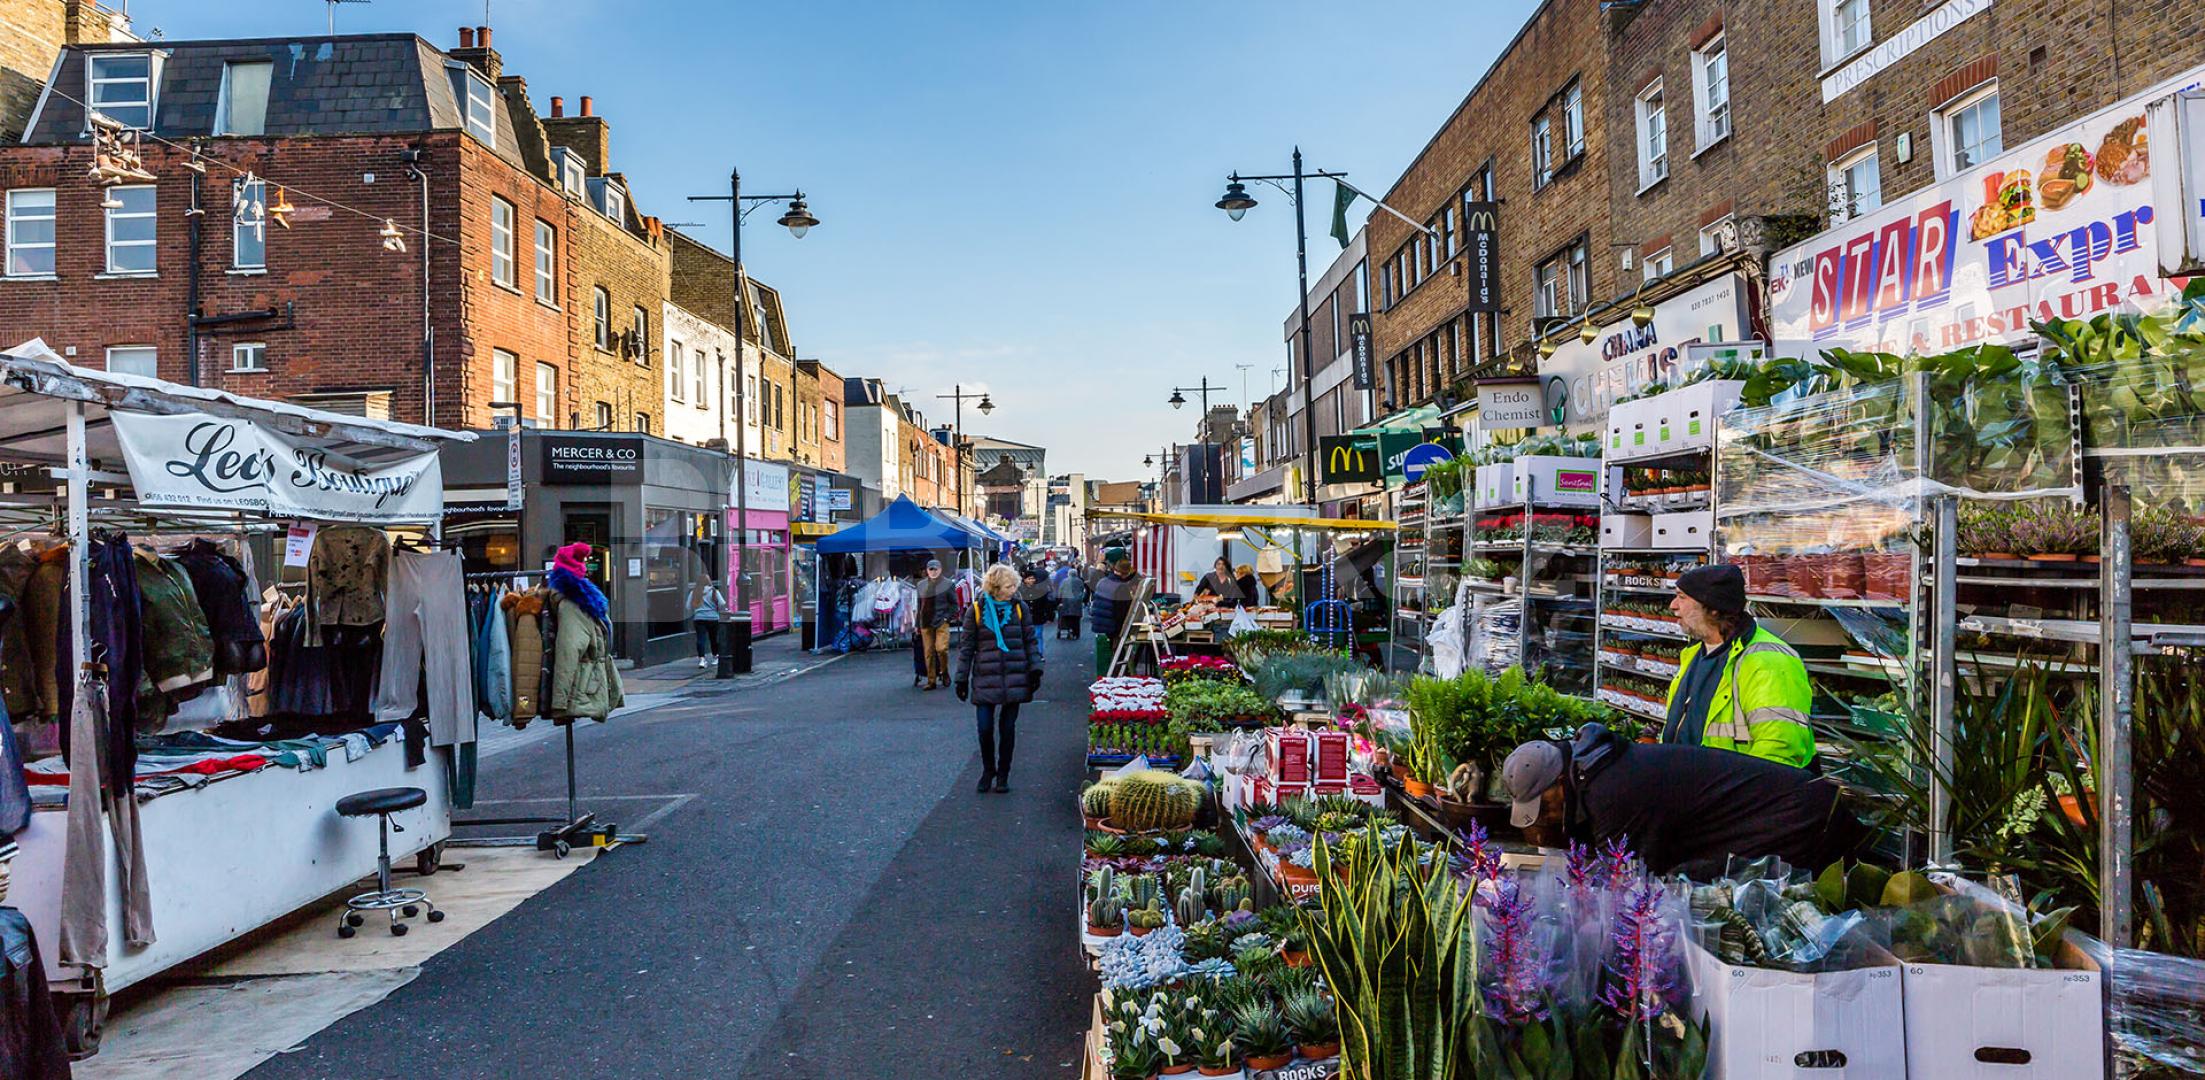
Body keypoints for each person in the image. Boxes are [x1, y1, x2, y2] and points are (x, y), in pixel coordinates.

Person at [1501, 724, 1862, 878]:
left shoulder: (1612, 791)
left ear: (1559, 782)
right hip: (1792, 809)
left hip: (1802, 819)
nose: (1546, 815)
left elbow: (1631, 878)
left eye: (1544, 804)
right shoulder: (1595, 769)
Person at [1662, 563, 1815, 769]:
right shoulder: (1695, 653)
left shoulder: (1768, 661)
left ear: (1713, 608)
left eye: (1682, 597)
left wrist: (1737, 790)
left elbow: (1779, 750)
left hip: (1735, 787)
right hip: (1696, 783)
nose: (1673, 605)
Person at [957, 563, 1043, 794]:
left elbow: (1030, 640)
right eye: (1008, 586)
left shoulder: (1020, 608)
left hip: (1016, 675)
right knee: (985, 728)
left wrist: (1036, 668)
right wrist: (961, 678)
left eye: (1014, 585)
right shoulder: (976, 610)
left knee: (1008, 729)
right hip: (986, 677)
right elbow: (967, 648)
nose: (1013, 590)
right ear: (994, 587)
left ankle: (1003, 773)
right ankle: (988, 770)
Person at [1088, 547, 1140, 670]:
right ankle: (1118, 674)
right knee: (1118, 655)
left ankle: (1114, 673)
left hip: (1102, 625)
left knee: (1112, 653)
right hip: (1112, 626)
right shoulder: (1121, 587)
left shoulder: (1103, 581)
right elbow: (1122, 612)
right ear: (1126, 573)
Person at [914, 558, 958, 691]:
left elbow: (954, 604)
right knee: (928, 652)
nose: (933, 571)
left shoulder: (948, 584)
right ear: (927, 571)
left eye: (936, 569)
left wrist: (946, 618)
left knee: (941, 649)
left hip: (941, 621)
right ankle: (931, 680)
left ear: (940, 570)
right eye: (931, 569)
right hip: (925, 622)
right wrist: (917, 625)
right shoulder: (921, 585)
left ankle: (944, 671)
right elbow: (919, 606)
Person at [1018, 568, 1057, 661]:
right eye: (1029, 578)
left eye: (1033, 578)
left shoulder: (1040, 591)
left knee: (1038, 635)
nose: (1032, 580)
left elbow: (1047, 604)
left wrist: (1049, 616)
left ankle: (1039, 654)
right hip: (1024, 618)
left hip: (1037, 617)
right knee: (1025, 636)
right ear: (1024, 580)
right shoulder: (1020, 592)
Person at [689, 575, 724, 668]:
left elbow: (688, 606)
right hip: (713, 618)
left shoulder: (694, 592)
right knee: (714, 638)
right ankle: (715, 657)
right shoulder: (714, 591)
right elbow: (722, 603)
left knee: (700, 639)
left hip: (699, 618)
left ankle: (702, 660)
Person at [1052, 561, 1088, 640]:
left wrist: (1059, 601)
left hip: (1067, 602)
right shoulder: (1080, 581)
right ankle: (1076, 633)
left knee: (1068, 618)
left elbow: (1060, 591)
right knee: (1076, 619)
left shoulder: (1064, 581)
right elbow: (1083, 590)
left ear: (1069, 574)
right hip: (1077, 603)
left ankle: (1070, 630)